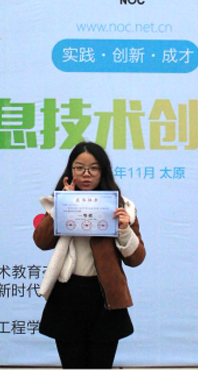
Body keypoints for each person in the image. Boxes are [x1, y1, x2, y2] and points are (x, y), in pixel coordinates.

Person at [33, 141, 146, 369]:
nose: (86, 174)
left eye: (94, 168)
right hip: (68, 294)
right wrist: (62, 206)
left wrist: (124, 229)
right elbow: (42, 242)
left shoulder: (122, 207)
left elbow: (136, 259)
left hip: (105, 297)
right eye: (79, 168)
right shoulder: (60, 202)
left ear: (103, 171)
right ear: (70, 170)